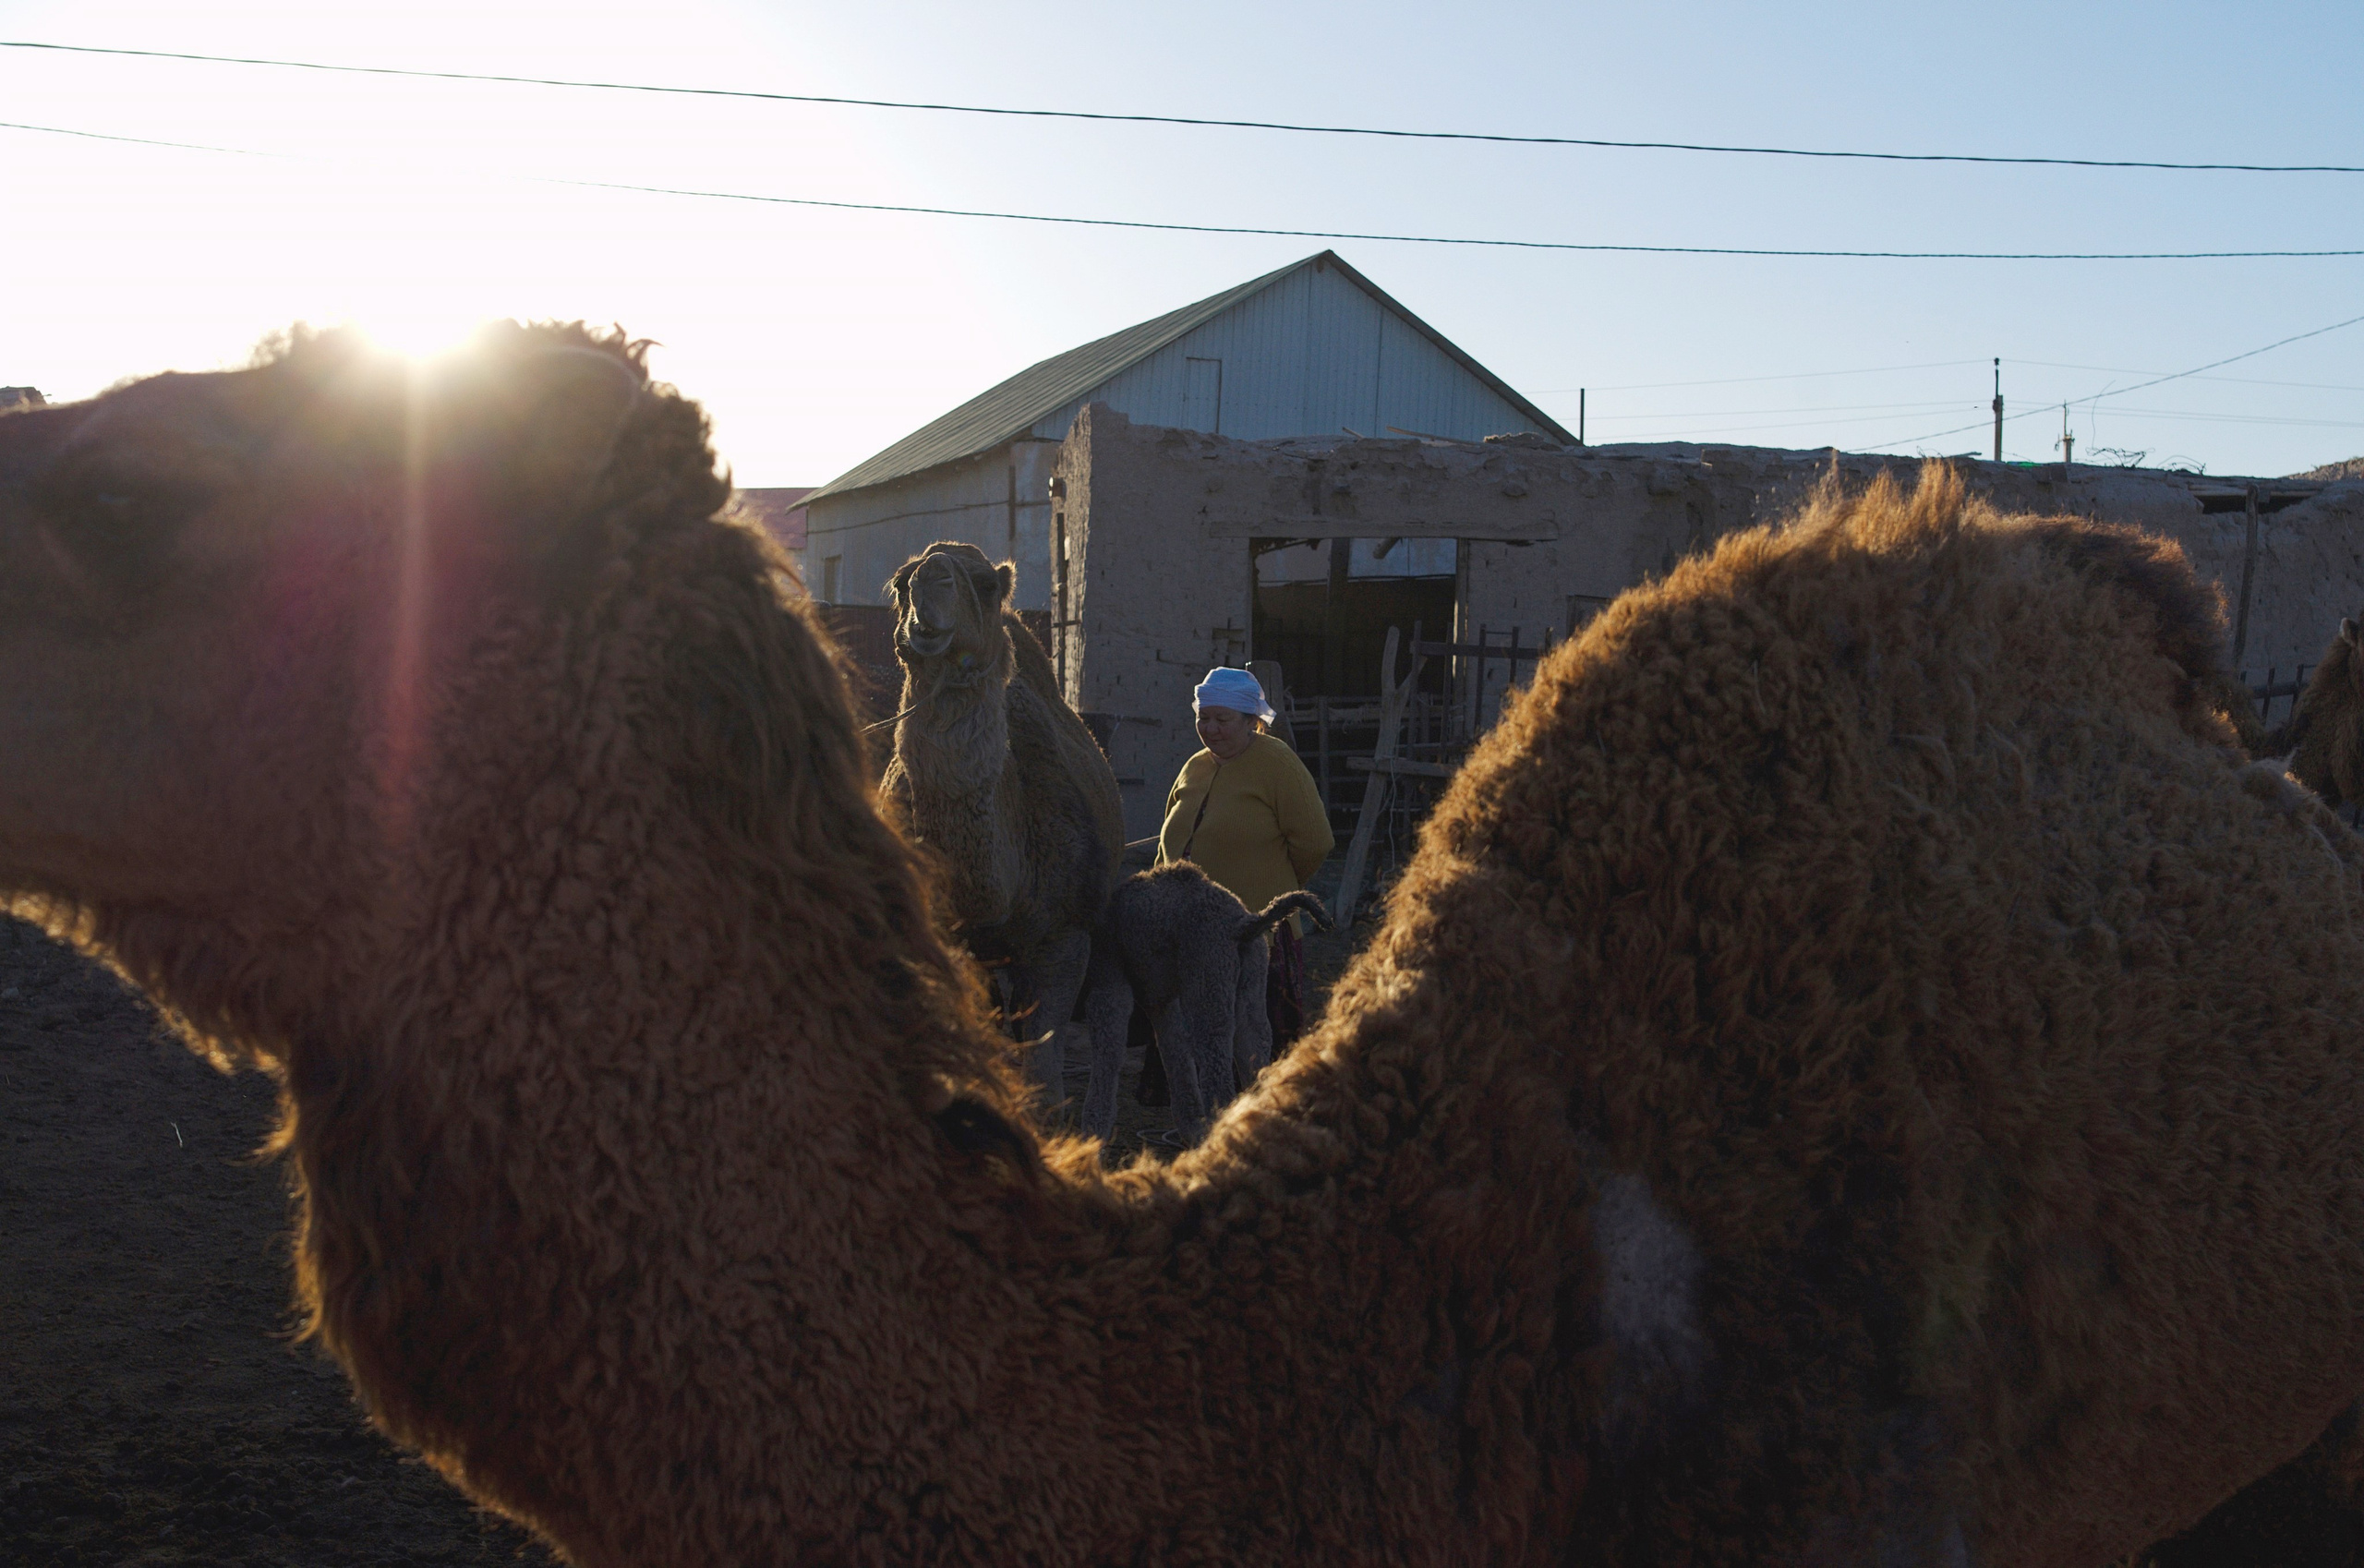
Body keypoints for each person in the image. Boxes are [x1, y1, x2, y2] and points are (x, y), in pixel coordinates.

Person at [1156, 666, 1335, 1056]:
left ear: (1252, 721)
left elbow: (1315, 841)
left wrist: (1278, 884)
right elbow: (1168, 842)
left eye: (1223, 719)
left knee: (1252, 1045)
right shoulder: (1195, 767)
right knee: (1196, 1050)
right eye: (1203, 718)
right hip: (1190, 933)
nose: (1211, 728)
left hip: (1256, 932)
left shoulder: (1276, 763)